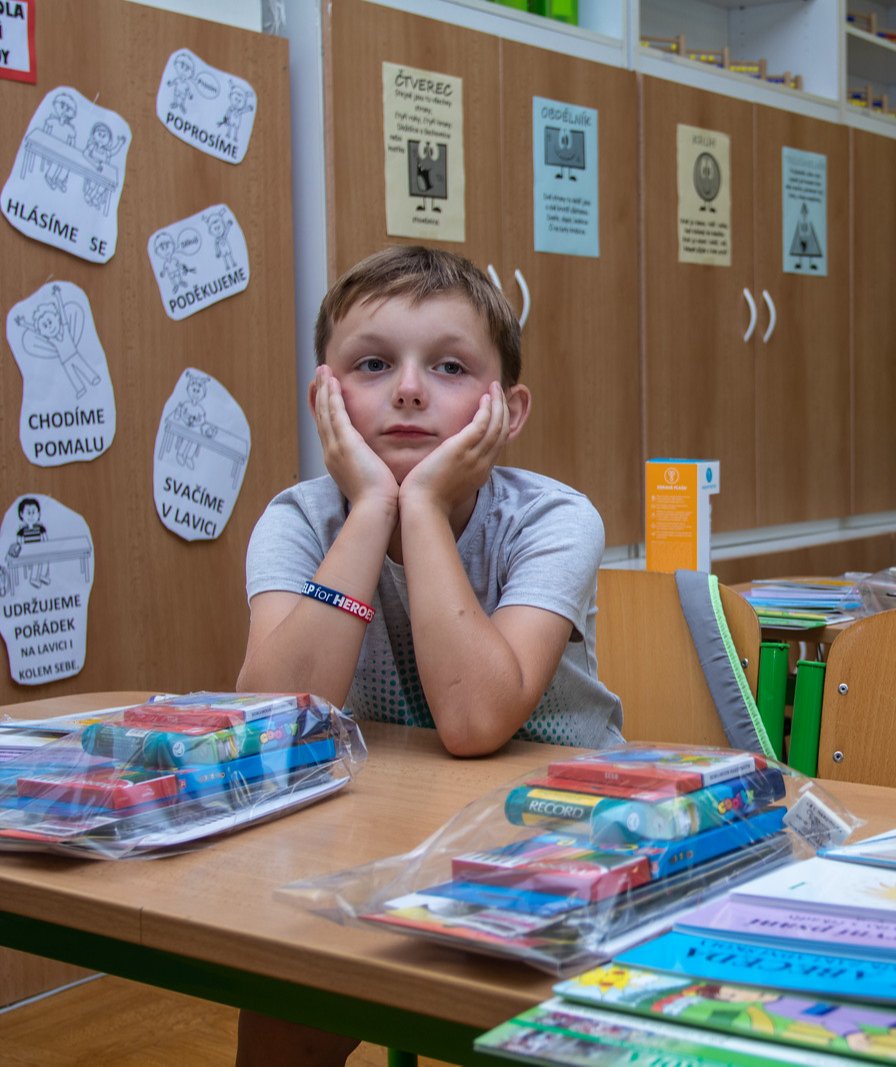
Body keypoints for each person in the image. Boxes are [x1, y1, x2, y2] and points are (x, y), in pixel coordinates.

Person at [234, 245, 626, 1066]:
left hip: (564, 838)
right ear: (325, 395)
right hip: (375, 836)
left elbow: (475, 719)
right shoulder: (299, 520)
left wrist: (421, 507)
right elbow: (274, 722)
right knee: (283, 1009)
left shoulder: (554, 520)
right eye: (373, 364)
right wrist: (371, 508)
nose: (409, 389)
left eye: (449, 366)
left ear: (507, 410)